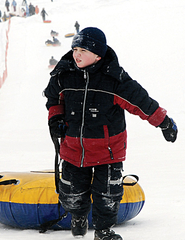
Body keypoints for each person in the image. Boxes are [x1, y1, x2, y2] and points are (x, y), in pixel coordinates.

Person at [44, 27, 177, 240]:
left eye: (83, 50)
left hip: (108, 150)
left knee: (108, 194)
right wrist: (56, 118)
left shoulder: (114, 79)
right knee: (70, 193)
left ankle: (103, 231)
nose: (76, 54)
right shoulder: (64, 75)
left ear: (98, 54)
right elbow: (53, 99)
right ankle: (78, 216)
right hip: (73, 148)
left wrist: (164, 122)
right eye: (75, 48)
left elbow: (141, 102)